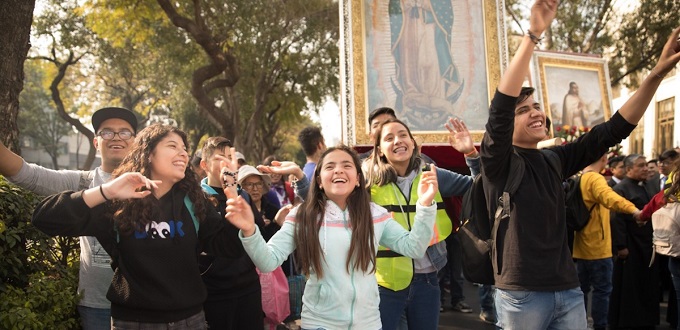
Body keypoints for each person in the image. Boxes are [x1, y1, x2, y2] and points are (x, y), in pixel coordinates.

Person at [480, 0, 680, 327]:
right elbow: (500, 109)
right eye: (524, 109)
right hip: (521, 294)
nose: (537, 113)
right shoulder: (497, 161)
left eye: (538, 107)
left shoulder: (554, 159)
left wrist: (656, 75)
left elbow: (612, 130)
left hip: (568, 289)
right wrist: (532, 35)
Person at [32, 124, 245, 328]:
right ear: (149, 154)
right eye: (172, 146)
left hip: (189, 320)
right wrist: (107, 191)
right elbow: (44, 218)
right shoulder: (120, 202)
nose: (183, 153)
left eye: (184, 149)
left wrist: (232, 194)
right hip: (133, 322)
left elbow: (229, 248)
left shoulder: (194, 202)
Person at [224, 145, 439, 330]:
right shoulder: (303, 216)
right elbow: (267, 261)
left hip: (369, 322)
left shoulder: (376, 215)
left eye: (347, 165)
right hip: (320, 323)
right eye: (329, 166)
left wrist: (426, 204)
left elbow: (414, 248)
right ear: (319, 180)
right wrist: (250, 231)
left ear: (357, 179)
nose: (338, 170)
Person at [0, 106, 137, 329]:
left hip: (141, 303)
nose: (116, 137)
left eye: (124, 132)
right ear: (96, 142)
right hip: (95, 305)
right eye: (107, 132)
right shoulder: (80, 183)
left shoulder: (150, 185)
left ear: (135, 141)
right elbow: (27, 175)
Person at [363, 117, 480, 330]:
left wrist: (471, 154)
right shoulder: (367, 181)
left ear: (413, 143)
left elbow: (482, 187)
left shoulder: (433, 174)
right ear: (379, 150)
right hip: (384, 283)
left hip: (427, 281)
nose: (398, 140)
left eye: (403, 135)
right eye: (389, 138)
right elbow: (331, 199)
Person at [197, 136, 268, 330]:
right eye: (221, 158)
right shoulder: (197, 197)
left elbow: (257, 233)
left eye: (231, 157)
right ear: (205, 164)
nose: (228, 163)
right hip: (214, 292)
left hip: (248, 287)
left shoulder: (242, 194)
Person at [573, 154, 640, 330]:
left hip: (581, 247)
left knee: (581, 292)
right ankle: (599, 326)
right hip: (597, 248)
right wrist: (633, 210)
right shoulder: (595, 178)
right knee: (602, 292)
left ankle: (579, 324)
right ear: (603, 159)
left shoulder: (581, 178)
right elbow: (610, 198)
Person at [388, 0, 464, 129]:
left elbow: (444, 7)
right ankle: (412, 92)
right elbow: (394, 6)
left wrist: (425, 4)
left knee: (429, 61)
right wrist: (406, 4)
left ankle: (436, 96)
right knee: (409, 62)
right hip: (408, 28)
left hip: (430, 28)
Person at [609, 154, 660, 329]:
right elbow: (616, 219)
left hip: (647, 244)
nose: (646, 168)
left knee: (647, 283)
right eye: (641, 165)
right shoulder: (621, 189)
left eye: (646, 165)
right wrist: (621, 246)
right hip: (631, 245)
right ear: (629, 169)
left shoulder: (647, 185)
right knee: (630, 286)